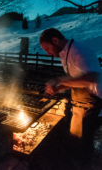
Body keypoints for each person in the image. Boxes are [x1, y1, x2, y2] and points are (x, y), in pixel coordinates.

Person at [39, 28, 102, 167]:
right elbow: (76, 79)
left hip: (94, 102)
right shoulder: (63, 54)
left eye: (47, 48)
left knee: (84, 139)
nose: (47, 53)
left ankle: (84, 165)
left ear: (55, 40)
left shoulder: (79, 51)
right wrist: (58, 88)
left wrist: (59, 80)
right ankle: (73, 163)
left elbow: (93, 77)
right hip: (80, 100)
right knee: (74, 137)